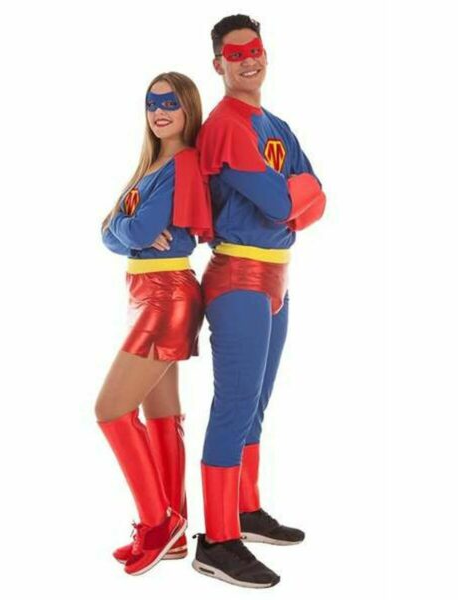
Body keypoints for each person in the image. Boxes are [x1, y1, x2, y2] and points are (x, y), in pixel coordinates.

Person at [191, 15, 327, 588]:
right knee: (235, 404)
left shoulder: (275, 125)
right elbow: (284, 201)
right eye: (235, 53)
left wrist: (297, 195)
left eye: (256, 50)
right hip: (239, 279)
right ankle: (217, 540)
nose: (249, 59)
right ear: (218, 64)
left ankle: (244, 510)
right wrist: (296, 195)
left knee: (257, 405)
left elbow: (319, 197)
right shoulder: (225, 126)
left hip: (277, 279)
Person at [96, 71, 213, 576]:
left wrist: (123, 227)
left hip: (167, 294)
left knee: (110, 409)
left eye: (170, 103)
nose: (159, 111)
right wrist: (124, 229)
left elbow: (135, 228)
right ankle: (176, 532)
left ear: (188, 108)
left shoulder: (182, 162)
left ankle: (155, 524)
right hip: (146, 292)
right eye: (152, 103)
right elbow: (112, 232)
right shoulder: (152, 165)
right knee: (161, 413)